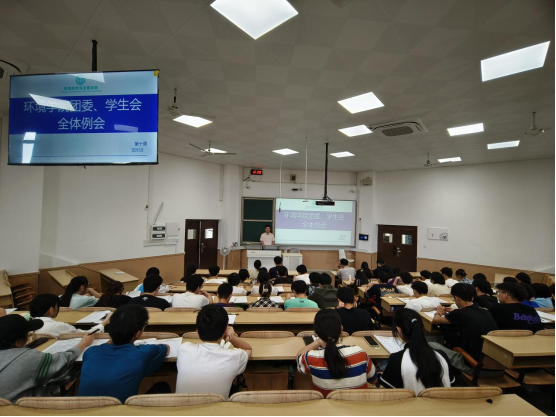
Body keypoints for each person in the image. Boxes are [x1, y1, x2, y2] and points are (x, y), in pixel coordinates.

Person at [78, 305, 170, 403]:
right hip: (120, 410)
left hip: (82, 409)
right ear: (138, 333)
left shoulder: (90, 352)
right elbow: (166, 348)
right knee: (162, 386)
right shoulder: (142, 353)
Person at [0, 315, 93, 402]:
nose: (29, 338)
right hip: (25, 408)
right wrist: (84, 343)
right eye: (28, 334)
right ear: (18, 343)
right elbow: (64, 360)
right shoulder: (29, 358)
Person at [297, 310, 378, 398]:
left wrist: (317, 342)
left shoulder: (311, 357)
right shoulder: (360, 353)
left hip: (326, 406)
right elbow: (374, 381)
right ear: (341, 329)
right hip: (358, 405)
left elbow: (298, 357)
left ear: (316, 333)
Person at [176, 305, 251, 399]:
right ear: (225, 330)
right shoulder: (234, 356)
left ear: (197, 331)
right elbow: (248, 349)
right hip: (217, 407)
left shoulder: (184, 349)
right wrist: (231, 336)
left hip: (182, 407)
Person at [380, 309, 454, 395]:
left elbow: (390, 392)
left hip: (412, 403)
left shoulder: (397, 359)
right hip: (444, 402)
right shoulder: (442, 355)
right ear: (421, 328)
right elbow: (451, 383)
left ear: (399, 330)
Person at [432, 284, 499, 368]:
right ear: (472, 298)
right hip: (497, 366)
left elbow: (436, 321)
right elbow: (467, 316)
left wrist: (439, 312)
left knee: (431, 344)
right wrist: (454, 312)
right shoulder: (485, 311)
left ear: (457, 298)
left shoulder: (459, 313)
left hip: (473, 365)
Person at [30, 294, 110, 337]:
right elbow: (87, 334)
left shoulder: (28, 325)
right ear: (51, 310)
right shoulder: (58, 326)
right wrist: (104, 323)